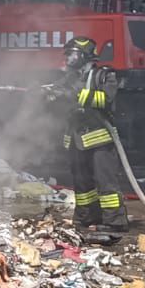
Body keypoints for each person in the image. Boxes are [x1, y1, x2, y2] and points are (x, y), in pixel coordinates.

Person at [55, 34, 127, 231]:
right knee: (82, 184)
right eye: (67, 55)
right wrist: (44, 94)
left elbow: (106, 100)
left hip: (99, 138)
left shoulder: (104, 75)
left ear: (85, 56)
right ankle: (86, 218)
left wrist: (77, 95)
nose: (68, 59)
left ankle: (114, 223)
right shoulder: (69, 77)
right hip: (75, 138)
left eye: (73, 55)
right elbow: (56, 95)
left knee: (106, 183)